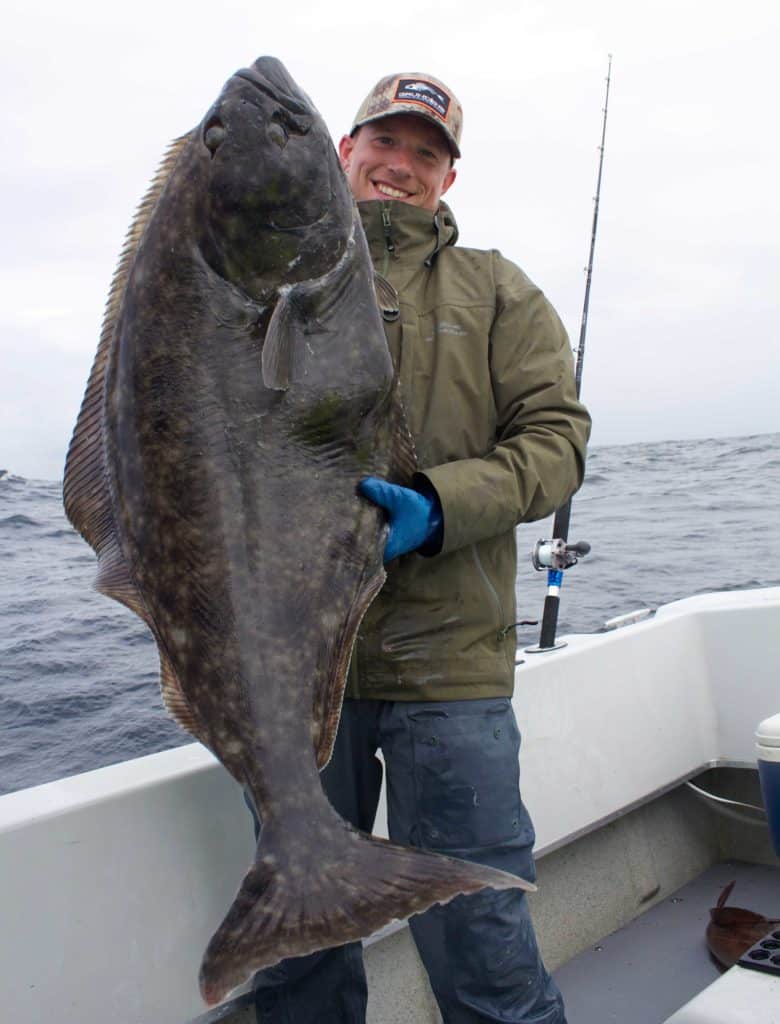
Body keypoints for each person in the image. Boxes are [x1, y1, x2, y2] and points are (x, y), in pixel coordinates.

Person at [253, 72, 591, 1024]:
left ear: (448, 178)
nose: (400, 167)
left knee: (481, 929)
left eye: (426, 154)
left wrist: (441, 506)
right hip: (292, 665)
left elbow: (557, 444)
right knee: (299, 936)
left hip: (449, 666)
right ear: (342, 153)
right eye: (384, 144)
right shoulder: (266, 277)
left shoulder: (496, 288)